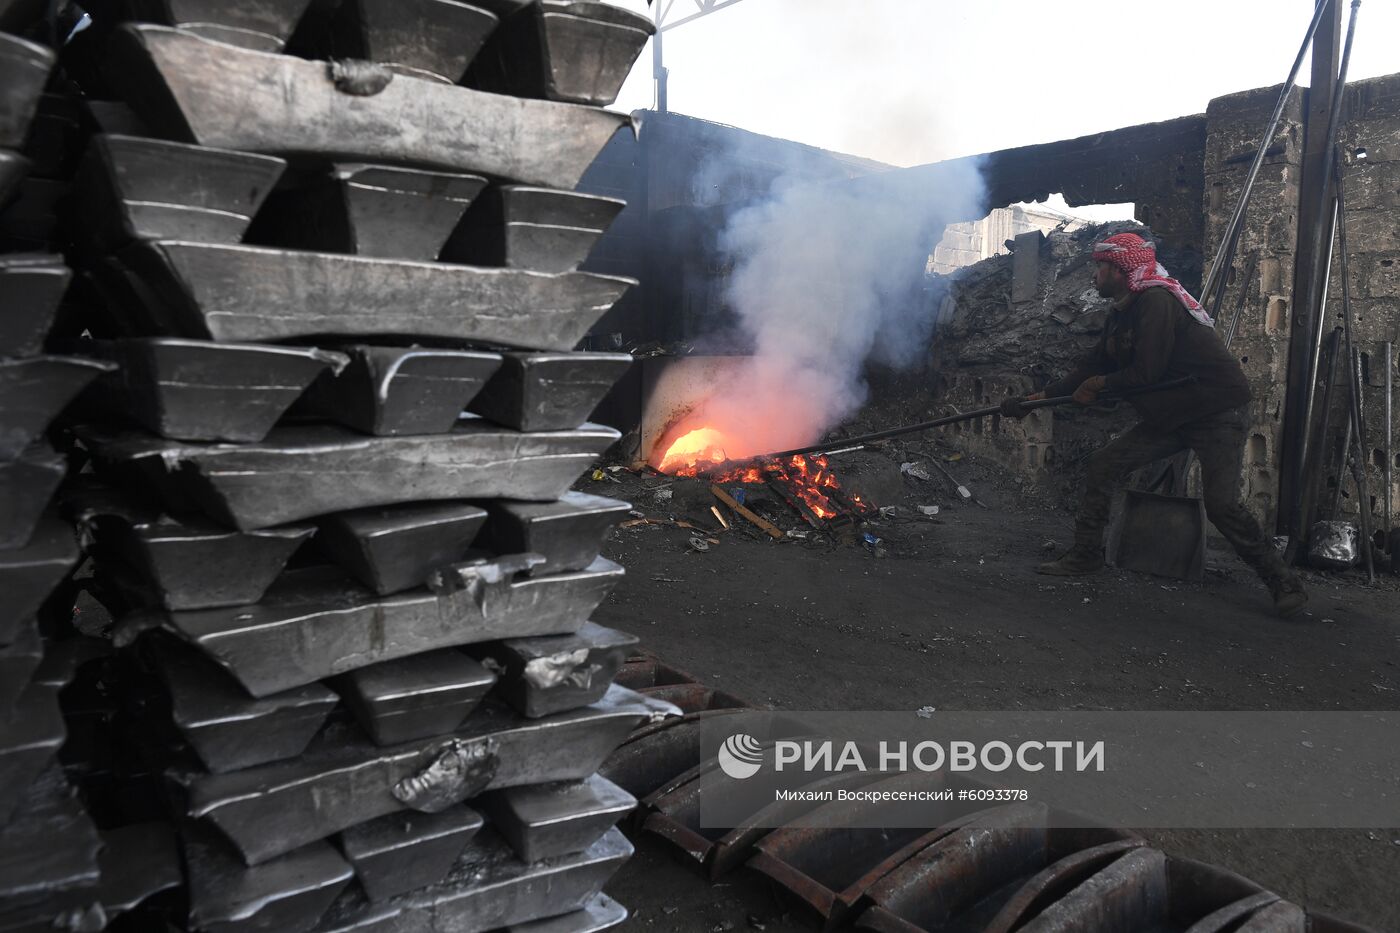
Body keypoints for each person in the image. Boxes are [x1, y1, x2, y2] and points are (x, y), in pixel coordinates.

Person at [1000, 231, 1308, 618]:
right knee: (1104, 465)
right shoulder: (1122, 313)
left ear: (1121, 270)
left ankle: (1284, 583)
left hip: (1216, 412)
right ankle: (1085, 555)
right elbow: (1089, 368)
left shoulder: (1156, 302)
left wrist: (1099, 385)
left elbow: (1147, 372)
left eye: (1101, 267)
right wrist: (1032, 402)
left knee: (1222, 504)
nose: (1095, 275)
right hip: (1172, 414)